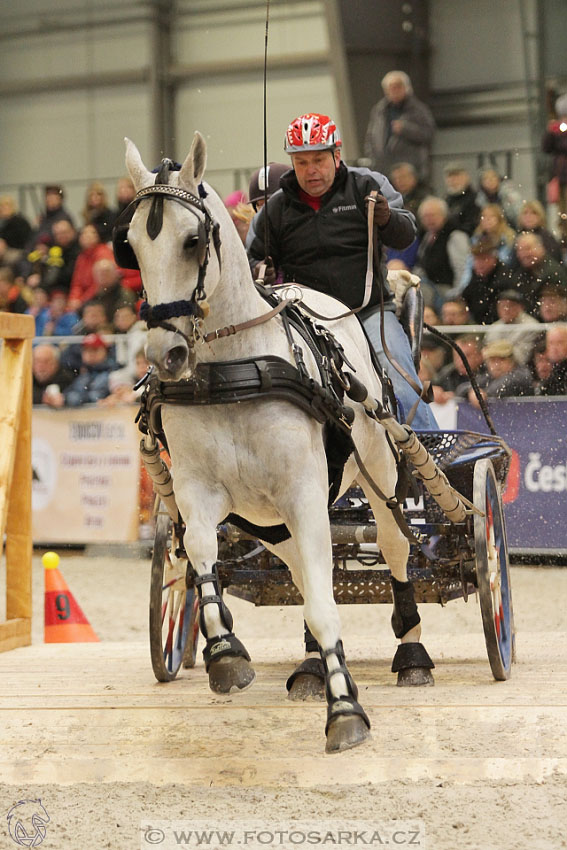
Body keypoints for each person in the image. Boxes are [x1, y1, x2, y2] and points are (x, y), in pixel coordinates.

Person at [247, 111, 437, 429]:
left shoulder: (367, 185)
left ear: (337, 155)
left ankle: (431, 453)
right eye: (302, 162)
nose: (311, 171)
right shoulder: (275, 210)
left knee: (400, 377)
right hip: (304, 323)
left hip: (368, 312)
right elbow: (250, 260)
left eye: (319, 160)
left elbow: (407, 233)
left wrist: (388, 219)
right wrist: (258, 269)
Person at [363, 71, 436, 182]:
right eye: (391, 88)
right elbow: (370, 137)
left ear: (407, 88)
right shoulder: (379, 111)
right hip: (384, 170)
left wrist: (406, 129)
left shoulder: (418, 110)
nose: (394, 91)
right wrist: (372, 157)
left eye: (398, 87)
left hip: (411, 170)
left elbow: (429, 134)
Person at [414, 196, 470, 306]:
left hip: (447, 292)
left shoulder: (455, 236)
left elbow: (462, 270)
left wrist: (456, 296)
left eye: (432, 215)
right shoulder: (426, 236)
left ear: (444, 215)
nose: (429, 220)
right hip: (429, 288)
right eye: (425, 217)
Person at [508, 231, 567, 316]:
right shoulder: (520, 272)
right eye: (520, 250)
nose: (524, 254)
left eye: (528, 248)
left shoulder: (553, 273)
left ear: (540, 247)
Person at [461, 237, 513, 324]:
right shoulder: (477, 275)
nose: (479, 264)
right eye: (476, 259)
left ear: (494, 258)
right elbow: (467, 295)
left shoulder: (504, 279)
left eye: (483, 259)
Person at [468, 339, 533, 408]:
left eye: (501, 359)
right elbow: (463, 387)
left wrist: (482, 394)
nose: (497, 364)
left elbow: (503, 386)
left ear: (512, 361)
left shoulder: (521, 375)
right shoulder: (489, 377)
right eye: (493, 360)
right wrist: (471, 392)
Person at [483, 289, 542, 365]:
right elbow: (486, 354)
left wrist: (498, 352)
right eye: (502, 306)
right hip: (494, 370)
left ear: (520, 307)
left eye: (510, 306)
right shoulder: (494, 328)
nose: (506, 310)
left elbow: (522, 357)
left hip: (521, 370)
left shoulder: (531, 326)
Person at [67, 224, 115, 311]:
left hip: (100, 296)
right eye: (84, 233)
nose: (87, 236)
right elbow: (77, 283)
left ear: (97, 236)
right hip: (85, 300)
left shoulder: (103, 253)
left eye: (91, 233)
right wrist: (74, 299)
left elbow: (101, 283)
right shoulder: (81, 257)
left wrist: (82, 301)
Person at [62, 333, 116, 407]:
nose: (90, 354)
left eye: (94, 350)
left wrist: (67, 399)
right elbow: (68, 392)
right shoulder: (84, 372)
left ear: (105, 351)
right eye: (86, 350)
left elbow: (97, 397)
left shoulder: (113, 372)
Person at [541, 94, 567, 244]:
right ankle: (565, 235)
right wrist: (551, 132)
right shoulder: (556, 131)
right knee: (563, 211)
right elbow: (546, 148)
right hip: (561, 177)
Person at [443, 163, 481, 236]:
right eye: (449, 177)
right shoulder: (446, 200)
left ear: (466, 178)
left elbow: (472, 225)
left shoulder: (475, 199)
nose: (453, 180)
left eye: (457, 176)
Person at [538, 323, 567, 395]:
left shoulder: (559, 372)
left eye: (560, 342)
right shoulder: (553, 372)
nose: (555, 348)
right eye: (551, 343)